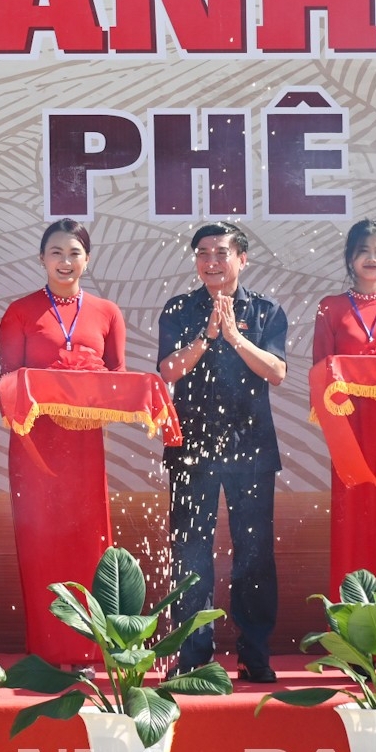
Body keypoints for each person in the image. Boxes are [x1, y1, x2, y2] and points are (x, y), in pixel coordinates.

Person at [157, 222, 286, 683]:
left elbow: (276, 371)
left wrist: (234, 337)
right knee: (190, 553)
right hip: (191, 449)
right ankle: (194, 656)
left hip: (250, 451)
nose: (211, 260)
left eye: (221, 252)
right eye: (203, 253)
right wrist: (207, 337)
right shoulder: (179, 309)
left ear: (242, 259)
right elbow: (167, 371)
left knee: (254, 552)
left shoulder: (267, 311)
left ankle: (254, 650)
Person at [0, 219, 127, 667]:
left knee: (87, 540)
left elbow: (118, 383)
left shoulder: (107, 312)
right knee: (41, 543)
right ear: (41, 259)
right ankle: (48, 651)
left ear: (86, 259)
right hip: (36, 447)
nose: (65, 261)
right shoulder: (20, 312)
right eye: (55, 252)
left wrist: (92, 380)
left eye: (74, 252)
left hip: (84, 446)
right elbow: (8, 383)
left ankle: (90, 649)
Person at [312, 219, 376, 596]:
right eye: (363, 251)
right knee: (356, 521)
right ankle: (356, 633)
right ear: (350, 258)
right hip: (352, 433)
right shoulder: (331, 307)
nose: (372, 258)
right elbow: (320, 369)